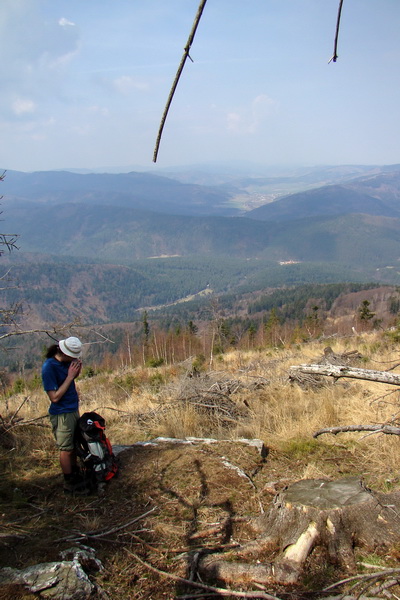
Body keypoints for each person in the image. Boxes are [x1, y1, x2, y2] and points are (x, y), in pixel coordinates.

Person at [42, 336, 88, 494]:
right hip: (62, 413)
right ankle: (69, 482)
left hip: (72, 409)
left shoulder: (66, 363)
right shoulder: (49, 367)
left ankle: (75, 473)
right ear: (65, 353)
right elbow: (54, 397)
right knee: (66, 448)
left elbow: (69, 381)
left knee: (73, 444)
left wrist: (75, 373)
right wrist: (70, 376)